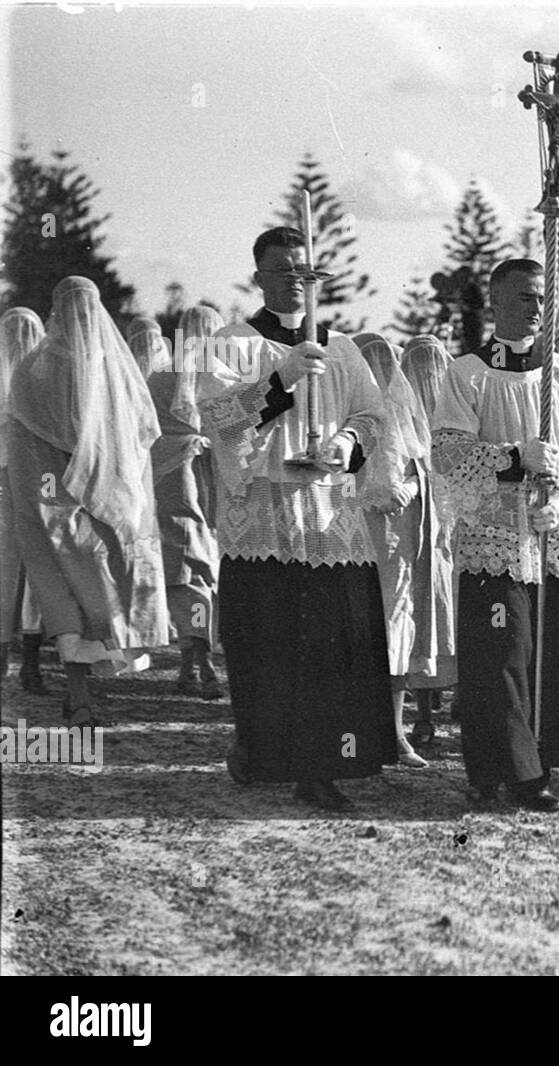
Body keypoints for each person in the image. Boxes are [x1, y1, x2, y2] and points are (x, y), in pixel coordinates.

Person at [198, 226, 393, 811]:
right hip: (264, 515)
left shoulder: (344, 348)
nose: (297, 281)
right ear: (259, 277)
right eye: (283, 270)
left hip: (329, 516)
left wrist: (346, 445)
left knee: (329, 647)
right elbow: (221, 423)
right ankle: (260, 752)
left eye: (306, 271)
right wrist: (281, 380)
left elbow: (373, 415)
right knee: (269, 645)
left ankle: (321, 766)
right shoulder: (232, 343)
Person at [429, 258, 559, 812]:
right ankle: (494, 770)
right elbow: (448, 452)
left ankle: (538, 768)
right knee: (500, 660)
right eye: (525, 298)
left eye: (542, 299)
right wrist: (514, 458)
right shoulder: (467, 374)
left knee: (552, 655)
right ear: (495, 302)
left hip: (552, 540)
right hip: (497, 543)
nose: (536, 308)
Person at [7, 277, 169, 723]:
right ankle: (77, 695)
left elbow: (139, 435)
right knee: (73, 592)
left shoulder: (102, 368)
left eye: (85, 310)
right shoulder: (42, 368)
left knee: (84, 593)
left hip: (82, 502)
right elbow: (26, 440)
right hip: (69, 503)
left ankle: (80, 691)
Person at [354, 331, 449, 769]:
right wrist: (410, 484)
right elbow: (379, 491)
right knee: (374, 635)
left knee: (393, 634)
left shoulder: (397, 423)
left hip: (392, 548)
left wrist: (408, 485)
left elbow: (412, 475)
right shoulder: (362, 422)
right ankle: (375, 734)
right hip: (366, 544)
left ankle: (391, 732)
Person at [149, 305, 223, 697]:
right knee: (206, 565)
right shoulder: (221, 377)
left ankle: (190, 660)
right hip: (207, 471)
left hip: (167, 473)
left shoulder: (157, 377)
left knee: (182, 568)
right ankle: (202, 658)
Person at [398, 334, 459, 745]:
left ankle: (422, 714)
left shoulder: (404, 420)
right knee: (450, 611)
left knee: (424, 617)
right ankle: (456, 697)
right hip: (449, 536)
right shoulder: (454, 417)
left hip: (425, 537)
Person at [0, 307, 47, 686]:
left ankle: (3, 656)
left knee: (4, 567)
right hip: (36, 477)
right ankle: (31, 662)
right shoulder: (43, 373)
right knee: (37, 566)